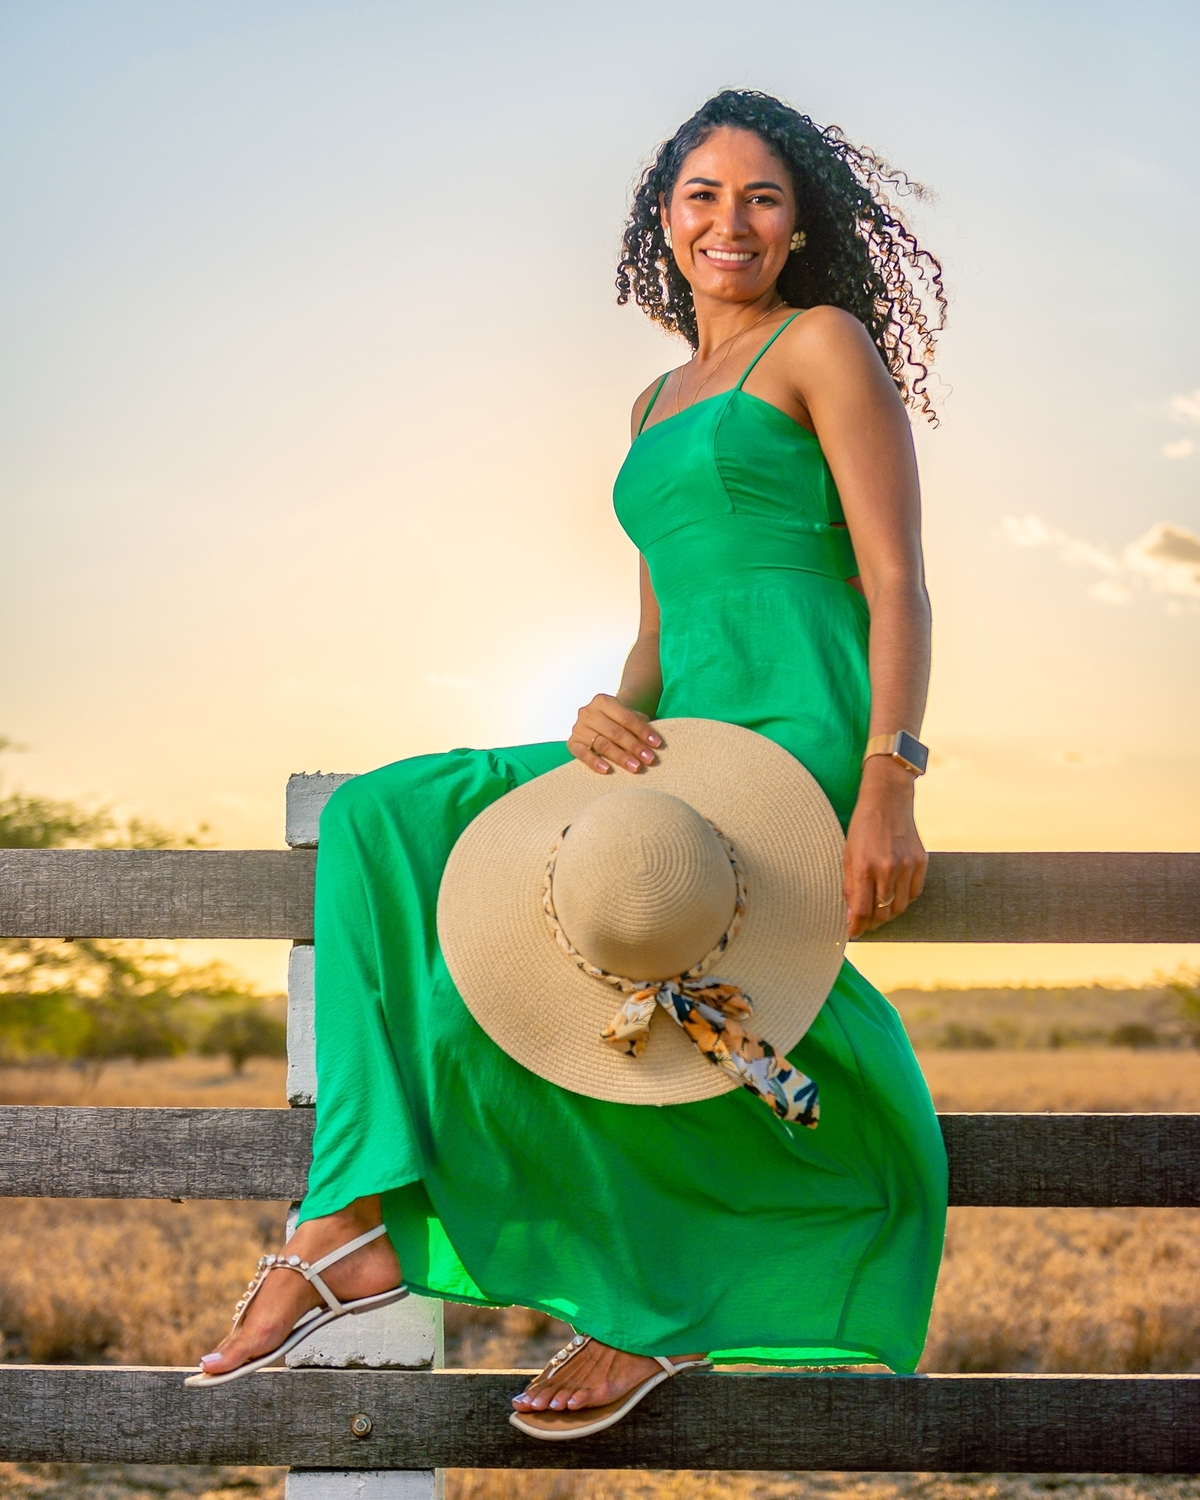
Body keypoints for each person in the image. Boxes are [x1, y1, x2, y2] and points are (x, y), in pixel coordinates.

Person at [188, 87, 948, 1435]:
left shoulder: (821, 342)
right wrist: (605, 710)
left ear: (801, 223)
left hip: (794, 728)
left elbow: (895, 578)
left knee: (659, 967)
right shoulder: (653, 398)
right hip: (675, 733)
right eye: (704, 195)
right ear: (665, 215)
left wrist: (890, 771)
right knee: (384, 818)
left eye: (763, 196)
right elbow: (660, 623)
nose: (732, 220)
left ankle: (644, 1306)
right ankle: (345, 1214)